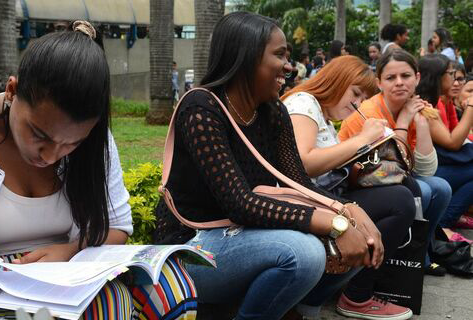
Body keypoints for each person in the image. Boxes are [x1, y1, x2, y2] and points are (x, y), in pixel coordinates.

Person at [153, 11, 384, 319]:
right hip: (190, 249)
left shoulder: (272, 111)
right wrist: (334, 223)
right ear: (246, 57)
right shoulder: (201, 108)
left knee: (362, 234)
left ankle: (297, 310)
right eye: (279, 55)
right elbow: (239, 203)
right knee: (303, 253)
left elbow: (298, 184)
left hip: (243, 237)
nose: (289, 67)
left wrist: (349, 211)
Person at [0, 21, 197, 319]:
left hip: (73, 262)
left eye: (72, 143)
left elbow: (117, 227)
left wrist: (70, 251)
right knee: (108, 305)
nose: (52, 156)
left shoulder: (95, 141)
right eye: (40, 135)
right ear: (12, 90)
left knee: (174, 289)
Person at [281, 55, 414, 320]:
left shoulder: (325, 117)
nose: (357, 104)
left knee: (406, 189)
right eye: (355, 93)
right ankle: (353, 295)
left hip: (324, 196)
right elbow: (303, 164)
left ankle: (342, 292)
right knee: (400, 201)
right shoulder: (304, 103)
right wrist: (362, 139)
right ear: (335, 80)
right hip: (305, 200)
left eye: (362, 98)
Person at [339, 49, 452, 277]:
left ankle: (418, 253)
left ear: (417, 78)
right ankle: (396, 262)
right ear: (379, 83)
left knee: (441, 187)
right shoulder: (371, 112)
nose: (399, 83)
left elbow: (427, 169)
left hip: (394, 177)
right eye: (391, 78)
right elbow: (393, 167)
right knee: (425, 190)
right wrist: (403, 121)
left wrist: (420, 121)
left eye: (406, 76)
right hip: (360, 181)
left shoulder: (415, 107)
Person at [416, 55, 473, 243]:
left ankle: (449, 217)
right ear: (437, 77)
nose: (455, 80)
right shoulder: (426, 104)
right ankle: (444, 222)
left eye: (460, 78)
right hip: (424, 169)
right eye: (451, 75)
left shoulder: (443, 100)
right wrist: (471, 108)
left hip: (435, 164)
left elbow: (459, 137)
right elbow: (453, 142)